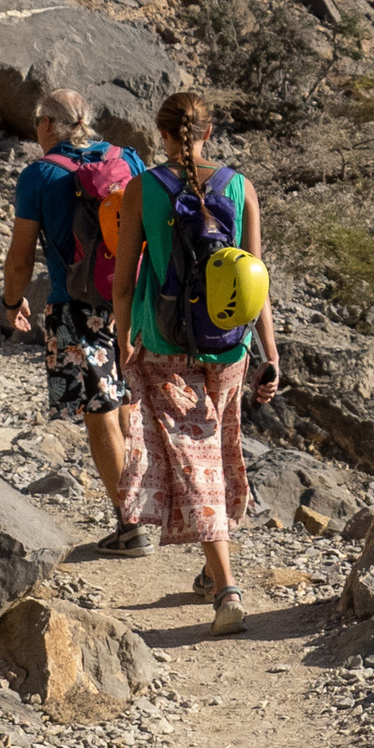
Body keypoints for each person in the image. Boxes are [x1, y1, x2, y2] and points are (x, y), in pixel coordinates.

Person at [113, 87, 277, 637]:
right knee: (218, 444)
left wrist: (123, 337)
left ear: (161, 134)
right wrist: (269, 354)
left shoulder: (141, 189)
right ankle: (214, 574)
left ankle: (227, 586)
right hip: (230, 343)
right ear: (209, 132)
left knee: (195, 457)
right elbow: (256, 280)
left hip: (163, 342)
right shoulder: (240, 186)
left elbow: (121, 283)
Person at [0, 87, 143, 555]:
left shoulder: (39, 175)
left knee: (97, 407)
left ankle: (130, 522)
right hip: (133, 300)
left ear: (46, 125)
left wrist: (10, 301)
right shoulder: (130, 160)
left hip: (76, 304)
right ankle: (139, 508)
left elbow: (21, 257)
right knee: (123, 397)